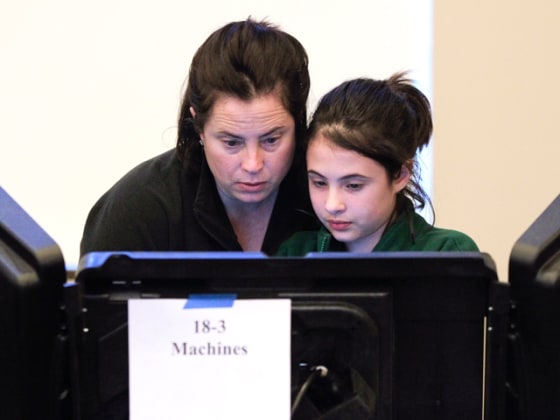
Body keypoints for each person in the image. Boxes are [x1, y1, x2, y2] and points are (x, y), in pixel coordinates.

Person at [80, 18, 319, 257]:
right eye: (231, 143)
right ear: (199, 127)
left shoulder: (336, 195)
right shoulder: (136, 210)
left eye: (271, 140)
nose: (253, 165)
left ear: (298, 120)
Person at [277, 73, 479, 255]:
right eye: (319, 183)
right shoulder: (295, 253)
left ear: (401, 175)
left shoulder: (445, 253)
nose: (332, 205)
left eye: (353, 186)